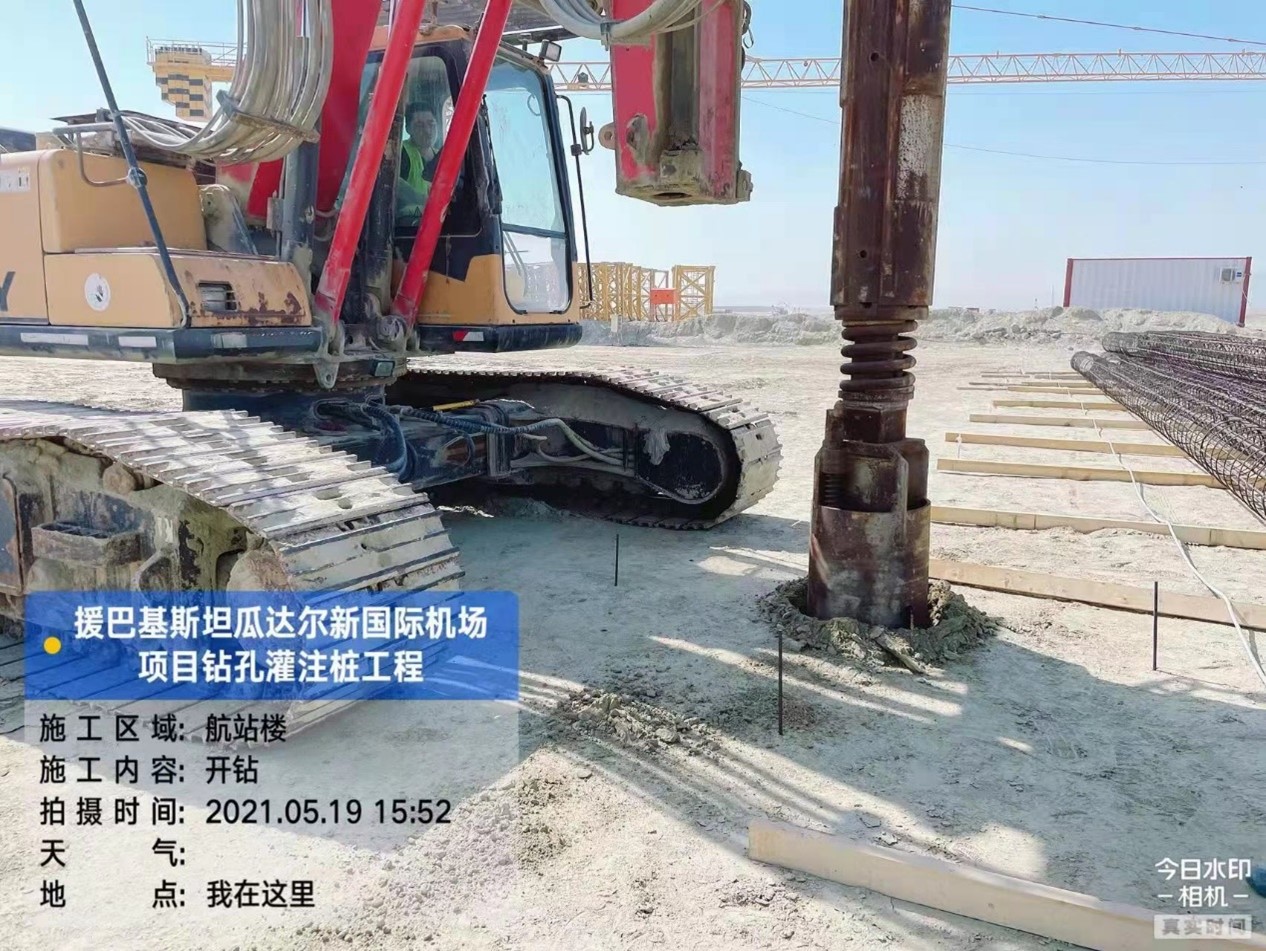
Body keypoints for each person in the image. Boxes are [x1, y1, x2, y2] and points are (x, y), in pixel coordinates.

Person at [398, 103, 440, 219]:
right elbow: (396, 186)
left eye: (431, 124)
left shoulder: (442, 156)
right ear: (408, 129)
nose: (427, 131)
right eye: (419, 125)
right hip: (408, 226)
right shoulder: (400, 153)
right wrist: (426, 201)